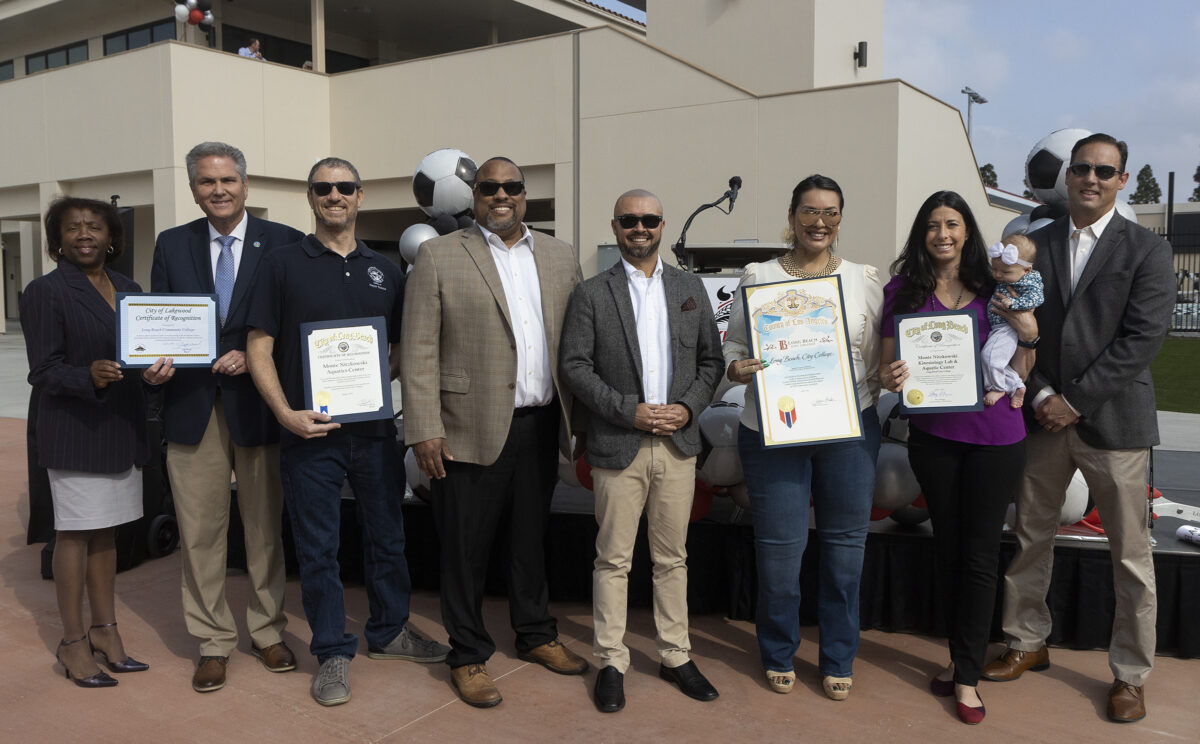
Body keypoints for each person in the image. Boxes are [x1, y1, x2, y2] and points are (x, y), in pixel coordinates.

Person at [981, 133, 1175, 724]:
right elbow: (1015, 324)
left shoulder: (1147, 248)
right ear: (1067, 175)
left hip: (1114, 422)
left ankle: (1130, 674)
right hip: (1041, 416)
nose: (1092, 178)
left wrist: (1075, 401)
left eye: (1104, 171)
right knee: (1030, 537)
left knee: (1131, 555)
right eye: (1083, 168)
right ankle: (1026, 641)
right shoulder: (1034, 245)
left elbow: (1143, 338)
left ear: (1121, 180)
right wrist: (1042, 394)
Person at [246, 157, 449, 707]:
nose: (334, 196)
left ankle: (388, 632)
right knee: (319, 549)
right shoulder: (281, 264)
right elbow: (258, 347)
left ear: (360, 196)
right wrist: (285, 412)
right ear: (311, 197)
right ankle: (333, 651)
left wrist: (375, 382)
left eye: (344, 187)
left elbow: (403, 346)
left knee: (388, 538)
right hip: (309, 435)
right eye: (323, 188)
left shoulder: (384, 269)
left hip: (374, 433)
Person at [401, 156, 586, 708]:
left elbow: (578, 340)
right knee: (464, 549)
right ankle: (467, 654)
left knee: (530, 541)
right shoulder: (439, 255)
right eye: (489, 187)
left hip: (540, 422)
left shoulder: (559, 255)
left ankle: (535, 633)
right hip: (465, 427)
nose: (500, 195)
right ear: (474, 195)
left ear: (525, 195)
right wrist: (424, 428)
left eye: (511, 187)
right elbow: (418, 349)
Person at [560, 189, 725, 712]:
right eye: (629, 219)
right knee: (613, 559)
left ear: (662, 225)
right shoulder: (591, 293)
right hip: (618, 443)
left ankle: (675, 655)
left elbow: (711, 362)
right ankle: (612, 659)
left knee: (672, 559)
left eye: (649, 219)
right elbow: (575, 365)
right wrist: (626, 410)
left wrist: (687, 407)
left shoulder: (689, 287)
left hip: (676, 444)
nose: (640, 227)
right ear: (615, 226)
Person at [879, 190, 1038, 725]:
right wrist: (892, 377)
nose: (942, 234)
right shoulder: (902, 289)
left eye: (952, 224)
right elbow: (885, 368)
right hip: (934, 438)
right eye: (932, 225)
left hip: (996, 438)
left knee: (979, 556)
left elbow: (1024, 362)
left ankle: (967, 676)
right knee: (948, 551)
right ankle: (958, 654)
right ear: (921, 234)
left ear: (967, 230)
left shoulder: (998, 284)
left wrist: (1028, 334)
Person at [150, 141, 304, 693]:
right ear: (194, 189)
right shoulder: (172, 243)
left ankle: (267, 631)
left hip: (260, 406)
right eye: (206, 182)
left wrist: (252, 354)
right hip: (191, 405)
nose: (218, 190)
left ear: (245, 185)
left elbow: (293, 324)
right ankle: (213, 641)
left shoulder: (285, 241)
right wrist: (154, 364)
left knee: (264, 529)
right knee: (199, 532)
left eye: (227, 180)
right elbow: (160, 320)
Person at [724, 175, 883, 701]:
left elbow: (873, 359)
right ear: (792, 216)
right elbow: (735, 345)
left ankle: (838, 656)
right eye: (810, 211)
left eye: (830, 212)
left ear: (841, 219)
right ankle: (777, 650)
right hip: (774, 428)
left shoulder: (863, 279)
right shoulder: (759, 276)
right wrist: (736, 367)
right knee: (779, 552)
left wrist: (863, 388)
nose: (820, 222)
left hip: (847, 428)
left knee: (844, 552)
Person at [22, 197, 174, 687]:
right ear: (58, 240)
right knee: (74, 533)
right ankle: (72, 642)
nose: (84, 235)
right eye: (72, 228)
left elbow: (139, 356)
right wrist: (86, 375)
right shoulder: (45, 291)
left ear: (112, 238)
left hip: (121, 428)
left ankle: (105, 632)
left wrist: (153, 374)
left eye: (94, 227)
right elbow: (43, 370)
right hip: (75, 428)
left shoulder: (130, 290)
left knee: (106, 533)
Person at [980, 234, 1043, 408]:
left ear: (1027, 269)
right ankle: (1016, 385)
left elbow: (1037, 298)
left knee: (990, 358)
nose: (997, 275)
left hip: (1008, 327)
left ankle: (997, 387)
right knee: (998, 362)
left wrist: (1014, 304)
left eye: (1005, 272)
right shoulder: (1014, 277)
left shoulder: (1030, 282)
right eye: (994, 269)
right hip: (999, 327)